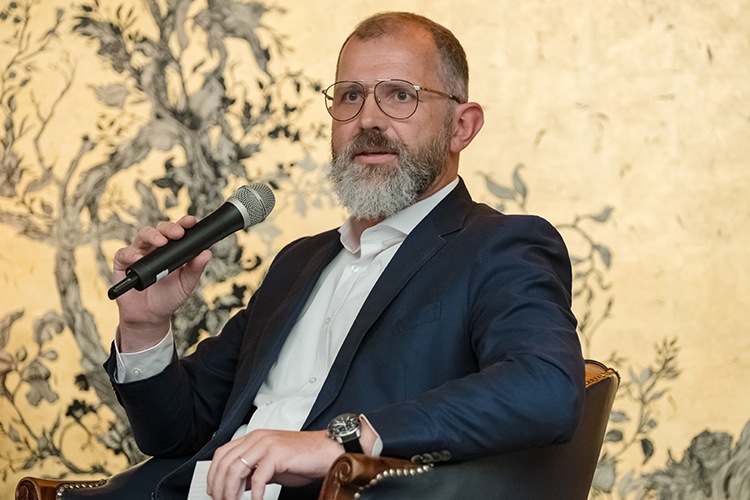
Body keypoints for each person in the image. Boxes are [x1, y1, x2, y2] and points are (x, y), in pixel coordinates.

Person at [78, 11, 584, 500]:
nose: (368, 119)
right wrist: (145, 328)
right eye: (350, 96)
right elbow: (174, 434)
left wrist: (342, 441)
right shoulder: (297, 263)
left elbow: (545, 388)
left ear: (462, 127)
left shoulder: (498, 246)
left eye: (400, 95)